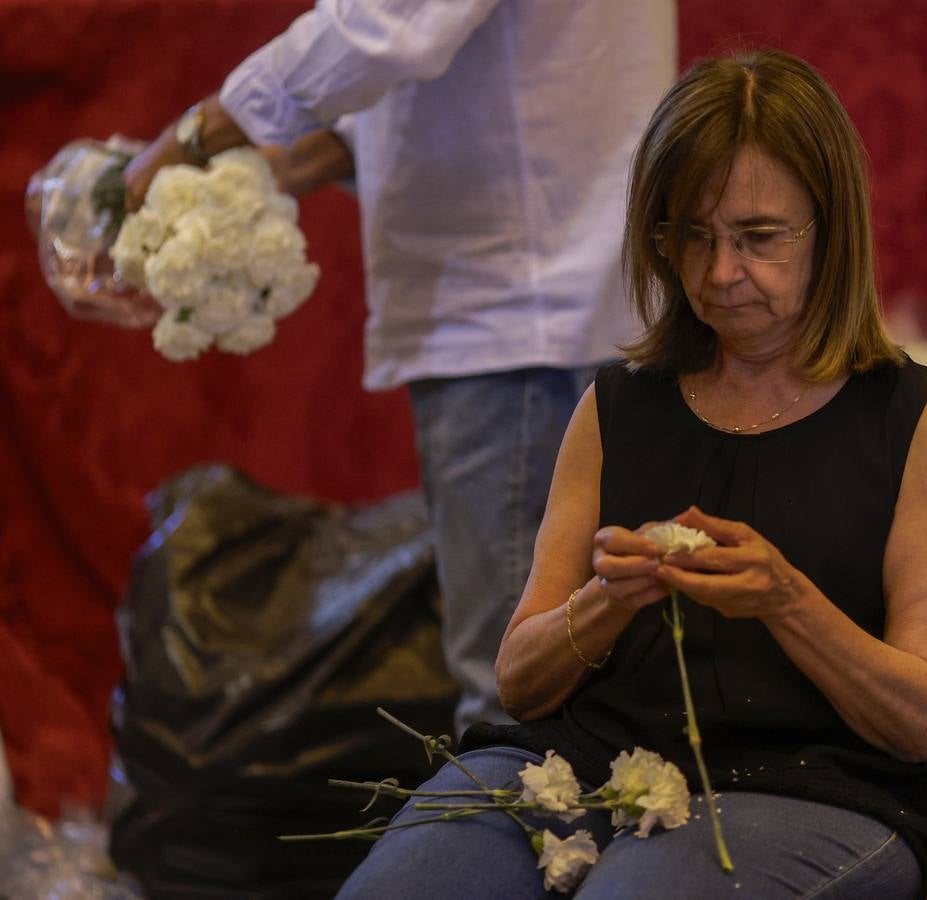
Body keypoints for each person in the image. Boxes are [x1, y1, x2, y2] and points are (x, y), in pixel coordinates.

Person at [335, 48, 927, 899]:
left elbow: (921, 723)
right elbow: (521, 682)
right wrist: (609, 599)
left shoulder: (918, 421)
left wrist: (786, 600)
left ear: (831, 231)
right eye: (692, 236)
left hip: (815, 790)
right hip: (578, 765)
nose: (720, 273)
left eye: (758, 237)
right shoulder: (617, 406)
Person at [121, 1, 677, 731]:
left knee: (518, 700)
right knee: (572, 687)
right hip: (539, 296)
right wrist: (284, 163)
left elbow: (383, 24)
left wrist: (192, 137)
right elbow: (476, 64)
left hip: (522, 316)